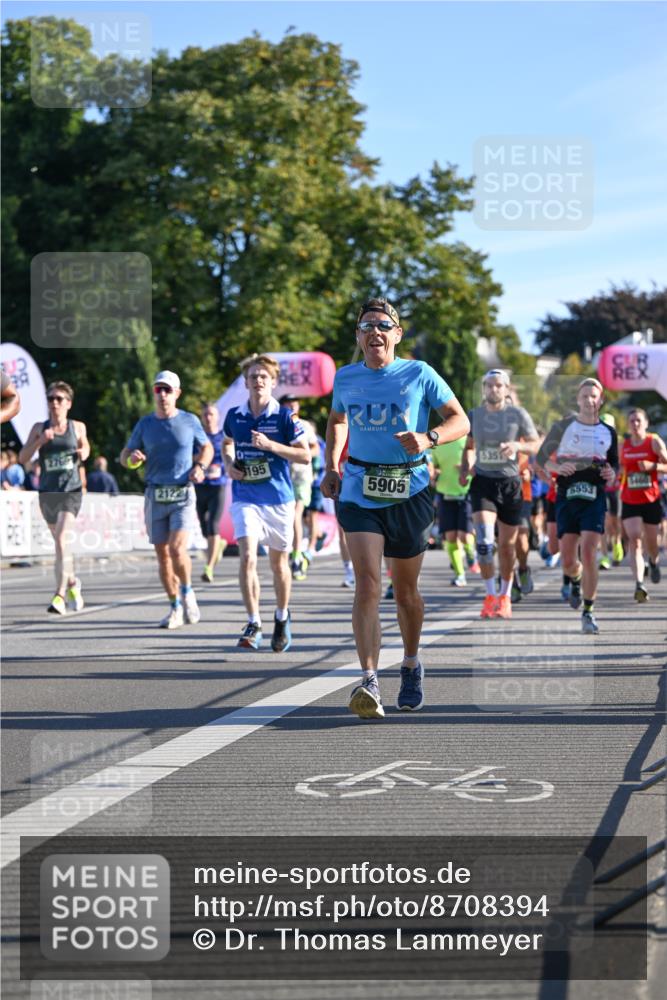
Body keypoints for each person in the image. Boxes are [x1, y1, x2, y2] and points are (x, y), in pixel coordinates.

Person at [321, 297, 469, 720]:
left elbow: (460, 420)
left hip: (410, 489)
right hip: (359, 489)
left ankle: (410, 662)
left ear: (397, 334)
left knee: (405, 592)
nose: (375, 332)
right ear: (358, 336)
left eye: (383, 325)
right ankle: (369, 679)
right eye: (366, 326)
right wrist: (331, 466)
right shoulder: (346, 377)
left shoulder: (419, 373)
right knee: (368, 584)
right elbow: (337, 420)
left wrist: (429, 438)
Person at [222, 354, 310, 652]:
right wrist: (229, 464)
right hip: (245, 496)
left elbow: (305, 455)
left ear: (273, 382)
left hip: (278, 500)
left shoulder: (285, 417)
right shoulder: (234, 415)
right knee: (247, 556)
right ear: (246, 382)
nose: (258, 380)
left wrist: (271, 445)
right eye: (253, 376)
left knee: (278, 564)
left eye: (263, 376)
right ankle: (253, 621)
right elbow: (226, 443)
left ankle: (282, 616)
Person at [121, 371, 212, 629]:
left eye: (167, 390)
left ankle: (187, 591)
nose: (162, 395)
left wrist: (200, 467)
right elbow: (124, 456)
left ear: (177, 394)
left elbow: (207, 448)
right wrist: (132, 460)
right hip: (154, 494)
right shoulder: (145, 424)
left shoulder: (189, 420)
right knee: (162, 556)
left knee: (176, 549)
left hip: (182, 493)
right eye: (158, 389)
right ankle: (174, 607)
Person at [537, 378, 618, 635]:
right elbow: (541, 458)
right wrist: (557, 467)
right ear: (578, 400)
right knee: (569, 560)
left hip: (594, 497)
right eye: (585, 396)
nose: (589, 400)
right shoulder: (562, 427)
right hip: (566, 497)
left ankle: (588, 611)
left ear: (600, 400)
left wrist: (612, 474)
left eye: (594, 396)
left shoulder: (609, 432)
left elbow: (614, 464)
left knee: (590, 552)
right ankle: (575, 578)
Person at [460, 370, 540, 620]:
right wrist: (466, 468)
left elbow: (536, 444)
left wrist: (517, 445)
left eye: (498, 385)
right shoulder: (474, 415)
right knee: (484, 543)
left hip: (510, 484)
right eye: (489, 385)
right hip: (483, 483)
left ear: (506, 389)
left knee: (506, 546)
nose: (493, 389)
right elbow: (469, 447)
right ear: (484, 388)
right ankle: (490, 596)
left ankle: (505, 597)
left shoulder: (518, 414)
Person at [18, 381, 89, 613]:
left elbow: (86, 447)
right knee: (61, 545)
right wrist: (40, 441)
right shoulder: (39, 428)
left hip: (71, 491)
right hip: (48, 492)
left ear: (68, 403)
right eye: (51, 399)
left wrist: (83, 452)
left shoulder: (77, 427)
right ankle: (73, 583)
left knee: (60, 539)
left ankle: (59, 596)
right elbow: (22, 458)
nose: (54, 403)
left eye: (59, 399)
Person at [619, 407, 667, 602]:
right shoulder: (623, 445)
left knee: (651, 543)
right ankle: (639, 584)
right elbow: (618, 467)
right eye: (632, 421)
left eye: (639, 420)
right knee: (635, 539)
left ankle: (653, 562)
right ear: (628, 425)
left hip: (651, 499)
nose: (635, 424)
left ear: (646, 423)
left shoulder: (653, 442)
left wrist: (652, 466)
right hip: (630, 498)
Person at [278, 394, 319, 581]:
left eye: (295, 404)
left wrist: (300, 451)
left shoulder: (304, 425)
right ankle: (289, 553)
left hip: (301, 475)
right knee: (286, 516)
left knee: (296, 513)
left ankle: (296, 556)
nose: (292, 406)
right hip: (282, 475)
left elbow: (315, 449)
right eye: (288, 404)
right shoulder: (276, 424)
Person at [430, 435, 477, 588]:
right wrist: (433, 474)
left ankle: (471, 554)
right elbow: (434, 466)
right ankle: (460, 575)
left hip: (466, 493)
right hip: (445, 495)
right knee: (451, 538)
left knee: (464, 536)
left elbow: (478, 466)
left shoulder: (468, 441)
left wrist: (466, 468)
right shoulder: (438, 444)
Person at [195, 403, 228, 583]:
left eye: (211, 414)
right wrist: (200, 459)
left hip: (218, 486)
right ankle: (218, 544)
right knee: (204, 528)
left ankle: (209, 568)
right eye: (205, 415)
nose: (208, 418)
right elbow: (188, 457)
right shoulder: (197, 437)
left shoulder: (224, 437)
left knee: (213, 524)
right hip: (200, 486)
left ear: (217, 417)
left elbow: (232, 454)